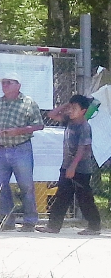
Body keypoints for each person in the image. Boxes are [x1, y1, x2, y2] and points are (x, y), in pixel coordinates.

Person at [0, 72, 44, 231]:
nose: (4, 86)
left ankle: (30, 221)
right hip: (0, 150)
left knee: (26, 186)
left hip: (21, 148)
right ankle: (6, 220)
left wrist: (20, 131)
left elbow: (39, 125)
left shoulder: (29, 103)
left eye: (8, 83)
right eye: (3, 83)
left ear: (18, 85)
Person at [38, 95, 102, 235]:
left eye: (75, 108)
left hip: (80, 169)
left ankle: (94, 226)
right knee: (62, 196)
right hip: (67, 166)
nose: (71, 110)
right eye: (70, 108)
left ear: (83, 111)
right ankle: (53, 226)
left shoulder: (84, 127)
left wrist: (73, 167)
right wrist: (67, 104)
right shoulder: (69, 121)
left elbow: (83, 148)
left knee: (84, 198)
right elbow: (52, 114)